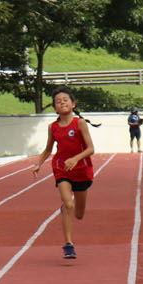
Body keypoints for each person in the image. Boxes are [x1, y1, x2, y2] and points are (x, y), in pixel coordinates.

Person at [31, 87, 95, 259]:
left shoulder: (79, 123)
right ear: (55, 108)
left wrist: (76, 159)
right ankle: (68, 244)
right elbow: (48, 149)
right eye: (58, 101)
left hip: (81, 170)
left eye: (65, 100)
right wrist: (38, 164)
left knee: (79, 214)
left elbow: (91, 149)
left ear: (73, 104)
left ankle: (68, 210)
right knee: (68, 204)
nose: (62, 102)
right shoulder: (53, 127)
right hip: (61, 168)